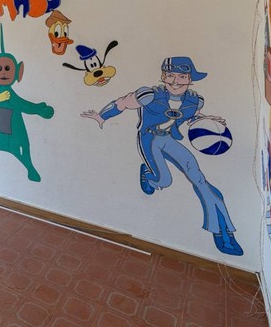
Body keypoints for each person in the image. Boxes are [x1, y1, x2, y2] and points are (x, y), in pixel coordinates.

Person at [81, 56, 243, 256]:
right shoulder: (149, 95)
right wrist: (101, 116)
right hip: (149, 139)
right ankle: (149, 175)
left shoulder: (195, 100)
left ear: (190, 79)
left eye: (182, 76)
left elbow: (191, 116)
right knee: (164, 181)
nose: (175, 81)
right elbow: (121, 103)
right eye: (171, 75)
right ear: (163, 76)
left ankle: (223, 232)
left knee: (200, 180)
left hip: (169, 139)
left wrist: (207, 121)